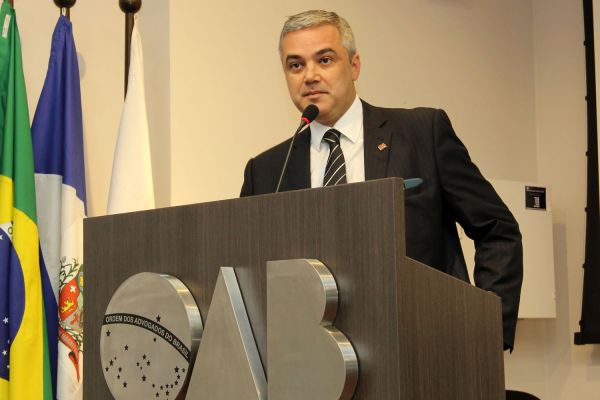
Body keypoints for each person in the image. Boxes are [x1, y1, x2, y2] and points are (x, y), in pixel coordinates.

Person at [240, 10, 522, 351]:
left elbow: (497, 229)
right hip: (309, 356)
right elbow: (246, 273)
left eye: (325, 60)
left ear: (354, 65)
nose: (310, 76)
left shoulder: (422, 133)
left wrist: (487, 330)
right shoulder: (267, 170)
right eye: (295, 65)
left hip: (421, 345)